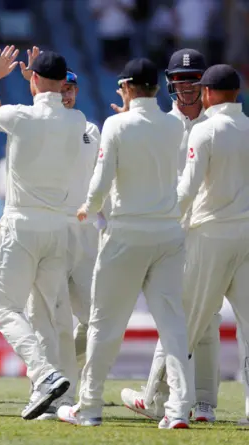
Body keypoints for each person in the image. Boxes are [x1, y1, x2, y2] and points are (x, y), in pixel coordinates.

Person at [57, 58, 193, 428]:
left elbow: (101, 182)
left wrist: (90, 207)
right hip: (168, 233)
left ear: (128, 87)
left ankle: (89, 407)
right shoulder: (173, 125)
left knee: (104, 324)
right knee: (173, 325)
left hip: (127, 235)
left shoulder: (116, 124)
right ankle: (180, 410)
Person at [0, 48, 87, 420]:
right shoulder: (77, 119)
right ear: (65, 83)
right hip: (57, 230)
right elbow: (38, 115)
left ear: (33, 80)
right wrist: (34, 86)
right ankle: (53, 397)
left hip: (22, 224)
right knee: (44, 315)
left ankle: (44, 374)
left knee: (4, 309)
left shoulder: (22, 116)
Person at [121, 48, 221, 423]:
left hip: (209, 230)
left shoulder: (217, 123)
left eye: (193, 80)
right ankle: (164, 398)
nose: (187, 88)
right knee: (176, 316)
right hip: (172, 231)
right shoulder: (162, 125)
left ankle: (203, 404)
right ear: (169, 83)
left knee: (205, 316)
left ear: (204, 84)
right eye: (180, 81)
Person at [21, 67, 102, 420]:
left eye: (72, 88)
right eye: (61, 88)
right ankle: (48, 394)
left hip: (85, 234)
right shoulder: (36, 124)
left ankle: (65, 382)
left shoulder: (90, 129)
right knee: (46, 317)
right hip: (49, 228)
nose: (67, 94)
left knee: (95, 317)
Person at [172, 64, 249, 426]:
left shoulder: (204, 130)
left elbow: (186, 191)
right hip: (247, 235)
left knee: (189, 323)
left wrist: (166, 221)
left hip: (210, 234)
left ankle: (172, 404)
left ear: (209, 93)